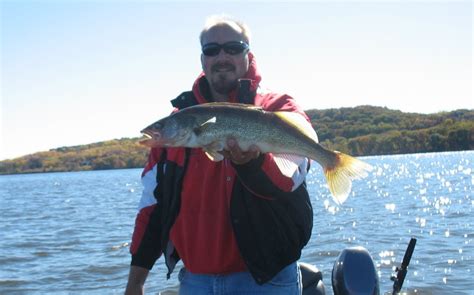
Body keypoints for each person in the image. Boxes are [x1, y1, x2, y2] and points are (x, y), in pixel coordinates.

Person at [125, 15, 314, 295]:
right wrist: (136, 282)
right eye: (212, 50)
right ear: (203, 60)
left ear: (248, 55)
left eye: (233, 48)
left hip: (267, 281)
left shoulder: (278, 107)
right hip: (195, 282)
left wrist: (253, 164)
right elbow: (153, 208)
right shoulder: (178, 123)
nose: (222, 56)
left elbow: (289, 180)